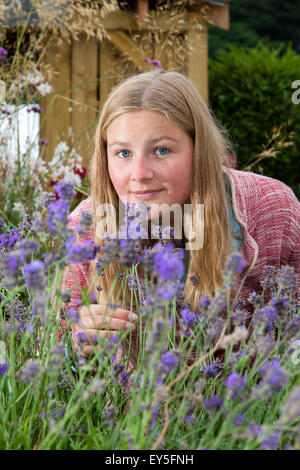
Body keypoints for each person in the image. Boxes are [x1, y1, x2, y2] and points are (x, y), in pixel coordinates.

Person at [61, 69, 300, 360]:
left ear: (199, 149)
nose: (140, 174)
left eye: (161, 150)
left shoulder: (271, 208)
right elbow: (50, 365)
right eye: (123, 153)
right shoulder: (87, 226)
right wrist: (76, 348)